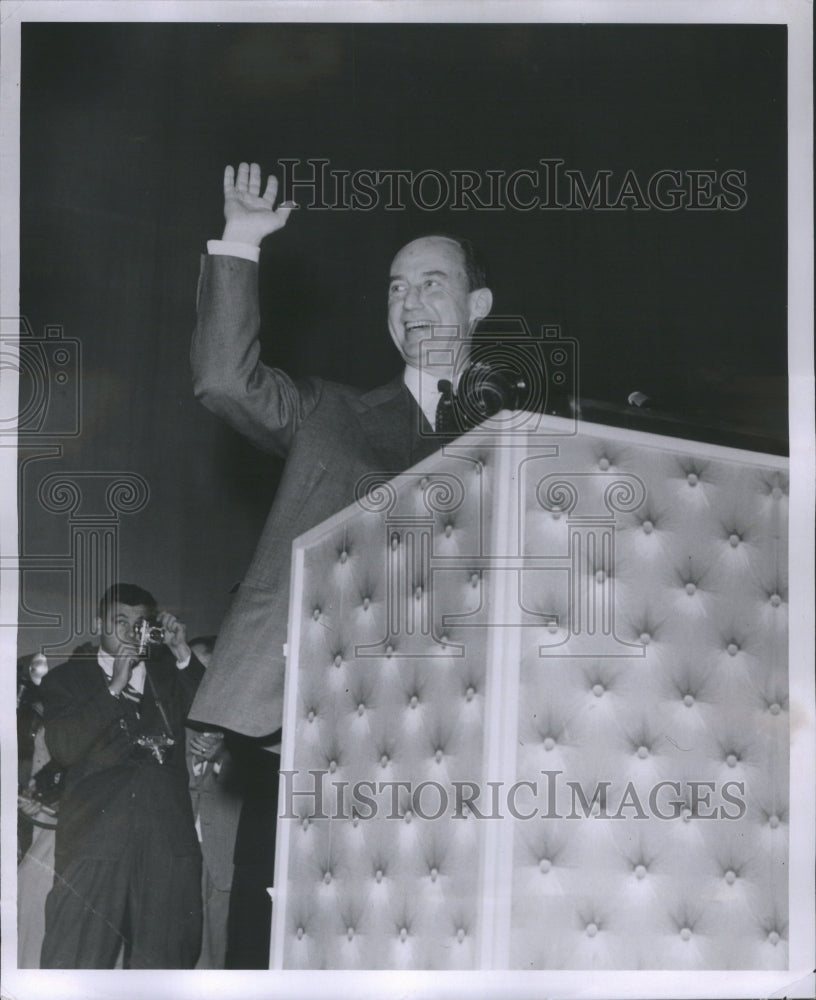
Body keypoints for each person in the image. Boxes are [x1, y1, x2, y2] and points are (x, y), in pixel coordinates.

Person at [188, 161, 493, 741]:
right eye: (396, 288)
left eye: (432, 284)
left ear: (478, 305)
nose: (409, 303)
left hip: (465, 709)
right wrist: (242, 240)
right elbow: (223, 380)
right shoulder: (330, 414)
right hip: (322, 707)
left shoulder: (520, 436)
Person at [38, 583, 206, 969]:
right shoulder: (66, 681)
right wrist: (114, 686)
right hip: (93, 844)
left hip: (165, 842)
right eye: (120, 622)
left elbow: (210, 715)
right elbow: (64, 748)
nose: (131, 632)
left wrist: (182, 653)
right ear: (99, 624)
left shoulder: (168, 674)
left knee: (163, 967)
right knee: (74, 961)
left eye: (140, 624)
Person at [185, 635, 242, 969]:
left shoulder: (245, 725)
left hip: (224, 854)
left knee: (219, 952)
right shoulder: (176, 723)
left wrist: (221, 756)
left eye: (200, 671)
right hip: (184, 852)